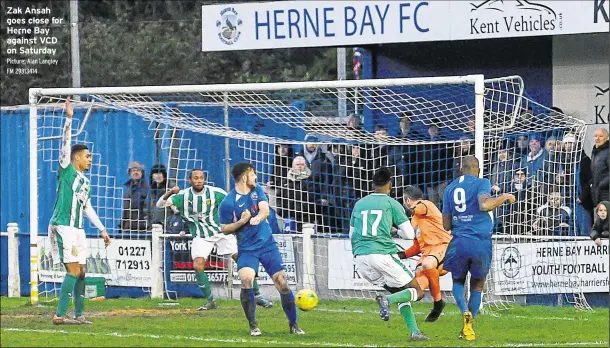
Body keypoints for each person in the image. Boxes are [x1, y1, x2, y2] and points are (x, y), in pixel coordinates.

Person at [156, 169, 273, 310]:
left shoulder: (215, 192)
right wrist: (170, 192)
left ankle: (258, 296)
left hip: (221, 231)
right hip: (201, 235)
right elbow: (159, 205)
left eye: (201, 178)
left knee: (242, 260)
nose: (199, 180)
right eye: (196, 178)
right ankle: (210, 301)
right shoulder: (182, 196)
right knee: (197, 265)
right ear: (189, 180)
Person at [218, 162, 304, 336]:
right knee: (246, 279)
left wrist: (257, 218)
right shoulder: (228, 202)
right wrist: (242, 222)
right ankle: (253, 325)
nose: (256, 177)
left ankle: (293, 324)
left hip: (267, 246)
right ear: (244, 177)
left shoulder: (257, 190)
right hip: (247, 249)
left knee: (282, 283)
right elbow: (224, 228)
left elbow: (264, 210)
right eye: (253, 174)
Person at [49, 98, 111, 325]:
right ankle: (59, 314)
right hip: (63, 225)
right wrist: (69, 118)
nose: (90, 159)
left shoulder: (86, 182)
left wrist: (102, 229)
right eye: (87, 156)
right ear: (76, 158)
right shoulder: (66, 169)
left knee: (82, 271)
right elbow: (65, 143)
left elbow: (88, 208)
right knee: (74, 270)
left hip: (78, 228)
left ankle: (78, 315)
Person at [350, 167, 429, 341]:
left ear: (372, 184)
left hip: (361, 258)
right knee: (418, 291)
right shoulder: (392, 204)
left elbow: (351, 233)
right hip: (383, 254)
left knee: (400, 291)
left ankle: (415, 332)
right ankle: (386, 300)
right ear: (390, 185)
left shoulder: (359, 204)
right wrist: (393, 232)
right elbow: (409, 235)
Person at [442, 156, 515, 341]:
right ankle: (469, 326)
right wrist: (505, 197)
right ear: (478, 169)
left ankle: (464, 311)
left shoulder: (449, 188)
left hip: (459, 241)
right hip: (481, 242)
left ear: (461, 170)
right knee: (477, 284)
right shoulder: (482, 182)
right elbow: (485, 204)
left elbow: (446, 225)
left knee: (458, 281)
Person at [401, 185, 452, 322]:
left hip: (444, 248)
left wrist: (395, 215)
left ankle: (437, 303)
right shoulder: (414, 221)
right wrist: (403, 254)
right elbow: (417, 246)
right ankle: (390, 300)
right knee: (414, 288)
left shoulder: (425, 205)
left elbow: (418, 208)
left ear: (407, 200)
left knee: (427, 264)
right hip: (428, 254)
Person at [590, 128, 609, 205]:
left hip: (606, 193)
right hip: (597, 193)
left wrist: (601, 185)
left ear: (606, 138)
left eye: (600, 136)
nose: (597, 138)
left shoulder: (608, 151)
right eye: (595, 136)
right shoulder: (595, 151)